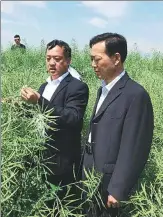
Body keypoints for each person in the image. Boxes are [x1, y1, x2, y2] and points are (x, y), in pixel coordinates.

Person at [82, 33, 154, 217]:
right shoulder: (103, 89)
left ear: (116, 58)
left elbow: (135, 147)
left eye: (97, 59)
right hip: (90, 176)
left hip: (109, 183)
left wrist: (118, 188)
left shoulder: (136, 95)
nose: (93, 65)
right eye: (91, 59)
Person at [20, 39, 89, 214]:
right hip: (41, 158)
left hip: (62, 162)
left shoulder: (77, 87)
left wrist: (39, 101)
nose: (51, 63)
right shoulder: (45, 86)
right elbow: (39, 115)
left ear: (68, 60)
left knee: (60, 207)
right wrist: (16, 106)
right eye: (48, 58)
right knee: (44, 205)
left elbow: (73, 118)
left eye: (57, 59)